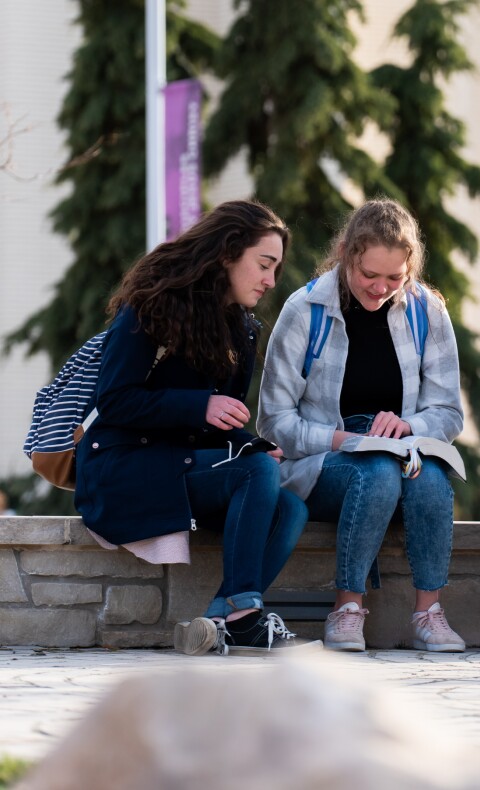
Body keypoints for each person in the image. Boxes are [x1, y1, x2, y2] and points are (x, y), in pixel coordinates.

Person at [74, 200, 318, 655]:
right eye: (264, 265)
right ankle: (245, 615)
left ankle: (215, 621)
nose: (270, 280)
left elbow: (216, 425)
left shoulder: (242, 328)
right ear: (228, 253)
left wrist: (252, 443)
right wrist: (199, 407)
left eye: (275, 270)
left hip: (181, 465)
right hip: (126, 468)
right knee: (254, 473)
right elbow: (114, 401)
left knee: (290, 508)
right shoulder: (152, 305)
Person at [258, 198, 466, 652]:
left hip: (403, 451)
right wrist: (342, 439)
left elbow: (449, 413)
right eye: (369, 275)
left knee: (431, 480)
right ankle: (346, 608)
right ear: (347, 254)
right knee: (373, 471)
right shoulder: (305, 310)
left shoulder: (426, 311)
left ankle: (428, 612)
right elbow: (274, 422)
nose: (380, 288)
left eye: (395, 278)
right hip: (324, 461)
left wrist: (409, 425)